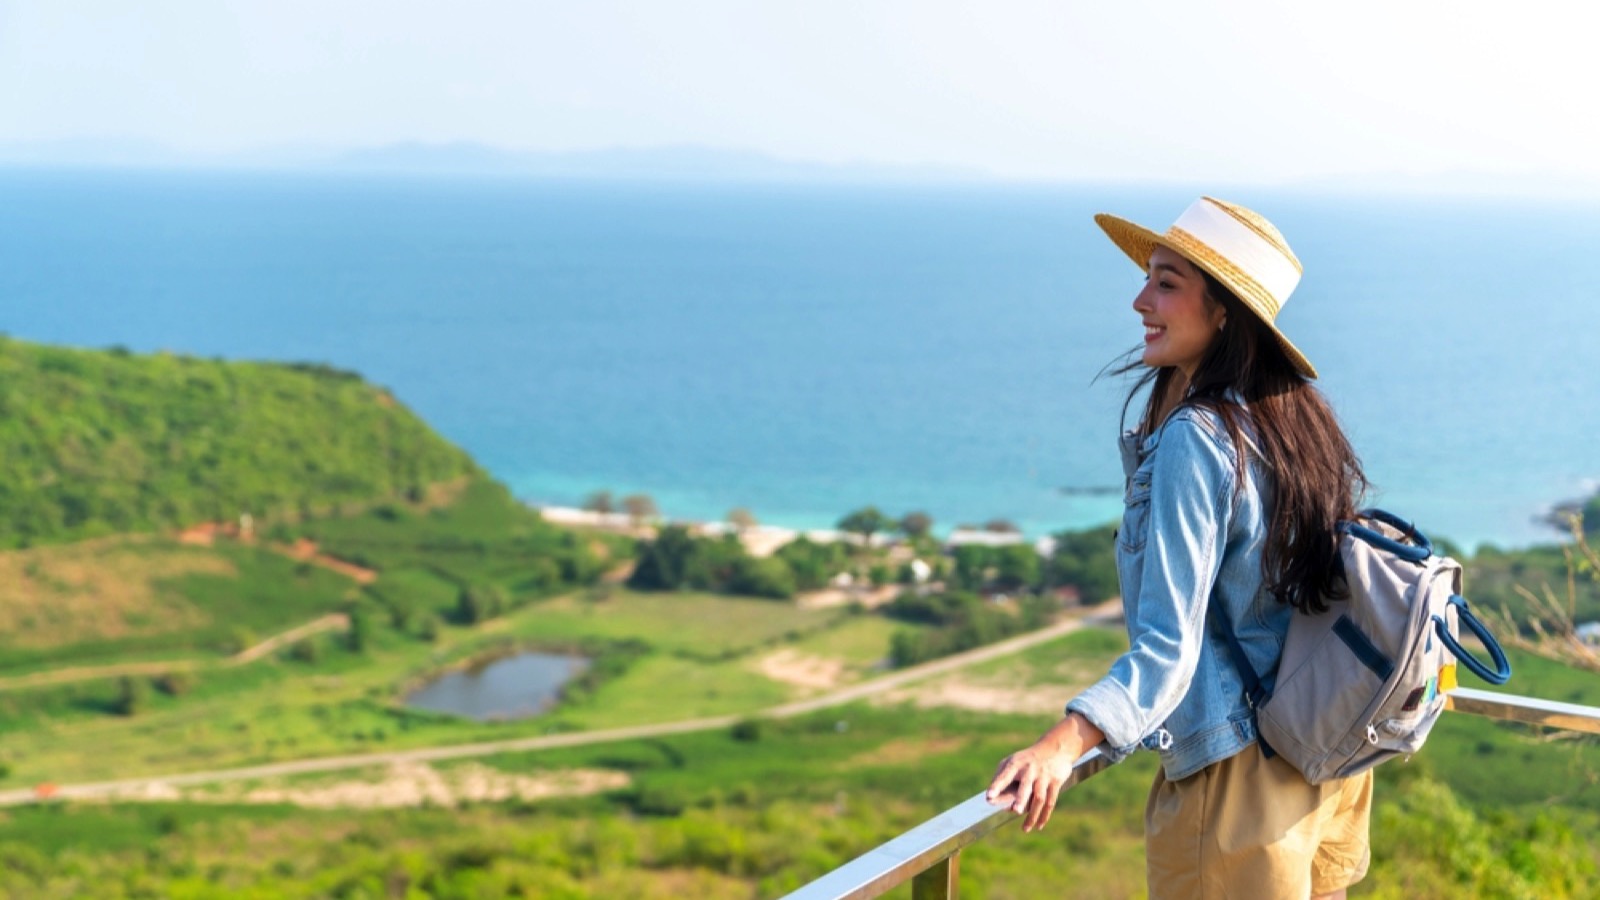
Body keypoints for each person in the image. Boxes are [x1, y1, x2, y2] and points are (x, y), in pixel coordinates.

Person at [985, 197, 1372, 899]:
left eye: (1166, 282)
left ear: (1224, 311)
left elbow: (1169, 649)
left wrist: (1060, 744)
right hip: (1321, 763)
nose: (1140, 300)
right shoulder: (1294, 421)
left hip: (1238, 788)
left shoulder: (1200, 437)